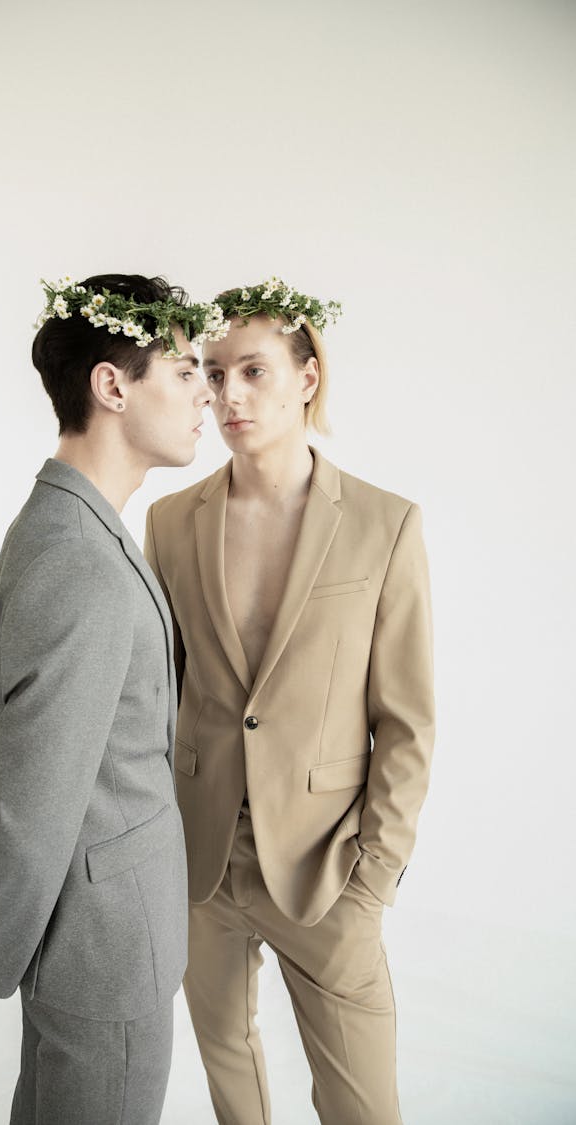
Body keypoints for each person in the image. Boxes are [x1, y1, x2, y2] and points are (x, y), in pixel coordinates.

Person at [143, 277, 435, 1125]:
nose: (226, 394)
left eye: (253, 371)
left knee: (363, 1105)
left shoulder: (387, 524)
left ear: (307, 377)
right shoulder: (170, 522)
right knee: (233, 1085)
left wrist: (373, 879)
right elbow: (162, 693)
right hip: (199, 862)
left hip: (327, 868)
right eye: (210, 371)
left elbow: (408, 720)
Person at [0, 273, 218, 1125]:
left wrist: (4, 910)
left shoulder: (76, 525)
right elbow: (36, 788)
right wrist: (1, 940)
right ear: (111, 385)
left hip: (94, 933)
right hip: (104, 952)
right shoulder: (81, 559)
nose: (205, 392)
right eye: (181, 371)